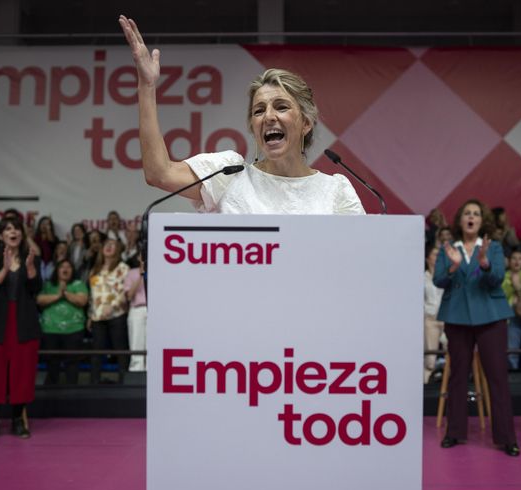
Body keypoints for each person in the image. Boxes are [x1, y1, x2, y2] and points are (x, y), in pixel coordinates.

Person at [118, 15, 364, 215]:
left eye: (281, 106)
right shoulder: (229, 176)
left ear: (306, 123)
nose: (268, 116)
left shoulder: (336, 190)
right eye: (259, 110)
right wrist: (147, 87)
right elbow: (159, 173)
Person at [434, 199, 519, 457]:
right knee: (458, 376)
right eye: (467, 213)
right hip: (457, 318)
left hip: (491, 318)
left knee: (497, 378)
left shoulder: (491, 248)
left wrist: (483, 263)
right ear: (460, 220)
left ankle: (507, 438)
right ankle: (454, 432)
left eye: (476, 214)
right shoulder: (448, 248)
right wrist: (454, 266)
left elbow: (497, 279)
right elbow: (439, 280)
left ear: (482, 221)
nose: (471, 217)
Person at [0, 215, 42, 443]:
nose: (13, 232)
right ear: (1, 234)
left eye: (16, 229)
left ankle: (17, 420)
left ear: (22, 234)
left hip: (23, 323)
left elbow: (36, 289)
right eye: (8, 229)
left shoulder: (31, 258)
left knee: (21, 373)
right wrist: (4, 269)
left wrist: (31, 268)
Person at [38, 259, 88, 385]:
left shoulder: (79, 284)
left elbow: (82, 301)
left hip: (74, 329)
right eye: (62, 267)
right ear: (57, 270)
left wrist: (65, 293)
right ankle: (51, 394)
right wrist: (57, 296)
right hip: (50, 329)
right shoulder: (48, 284)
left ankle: (72, 392)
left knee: (72, 363)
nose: (65, 269)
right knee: (51, 363)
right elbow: (39, 300)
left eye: (69, 267)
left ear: (73, 270)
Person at [88, 238, 130, 384]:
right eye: (106, 244)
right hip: (97, 316)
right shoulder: (95, 270)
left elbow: (125, 292)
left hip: (117, 314)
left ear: (118, 250)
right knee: (97, 351)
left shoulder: (123, 268)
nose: (109, 247)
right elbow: (92, 295)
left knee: (120, 349)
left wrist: (112, 306)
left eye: (113, 245)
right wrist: (89, 315)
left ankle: (124, 381)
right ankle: (94, 382)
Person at [423, 244, 444, 383]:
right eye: (434, 255)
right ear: (427, 258)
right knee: (430, 358)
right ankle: (425, 385)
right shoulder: (421, 278)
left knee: (454, 353)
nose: (437, 258)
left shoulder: (446, 276)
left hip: (447, 319)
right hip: (430, 320)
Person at [123, 253, 147, 372]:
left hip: (155, 310)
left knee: (152, 342)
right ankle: (136, 370)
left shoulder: (159, 270)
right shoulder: (132, 272)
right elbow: (129, 295)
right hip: (137, 308)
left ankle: (152, 369)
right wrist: (141, 275)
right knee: (136, 340)